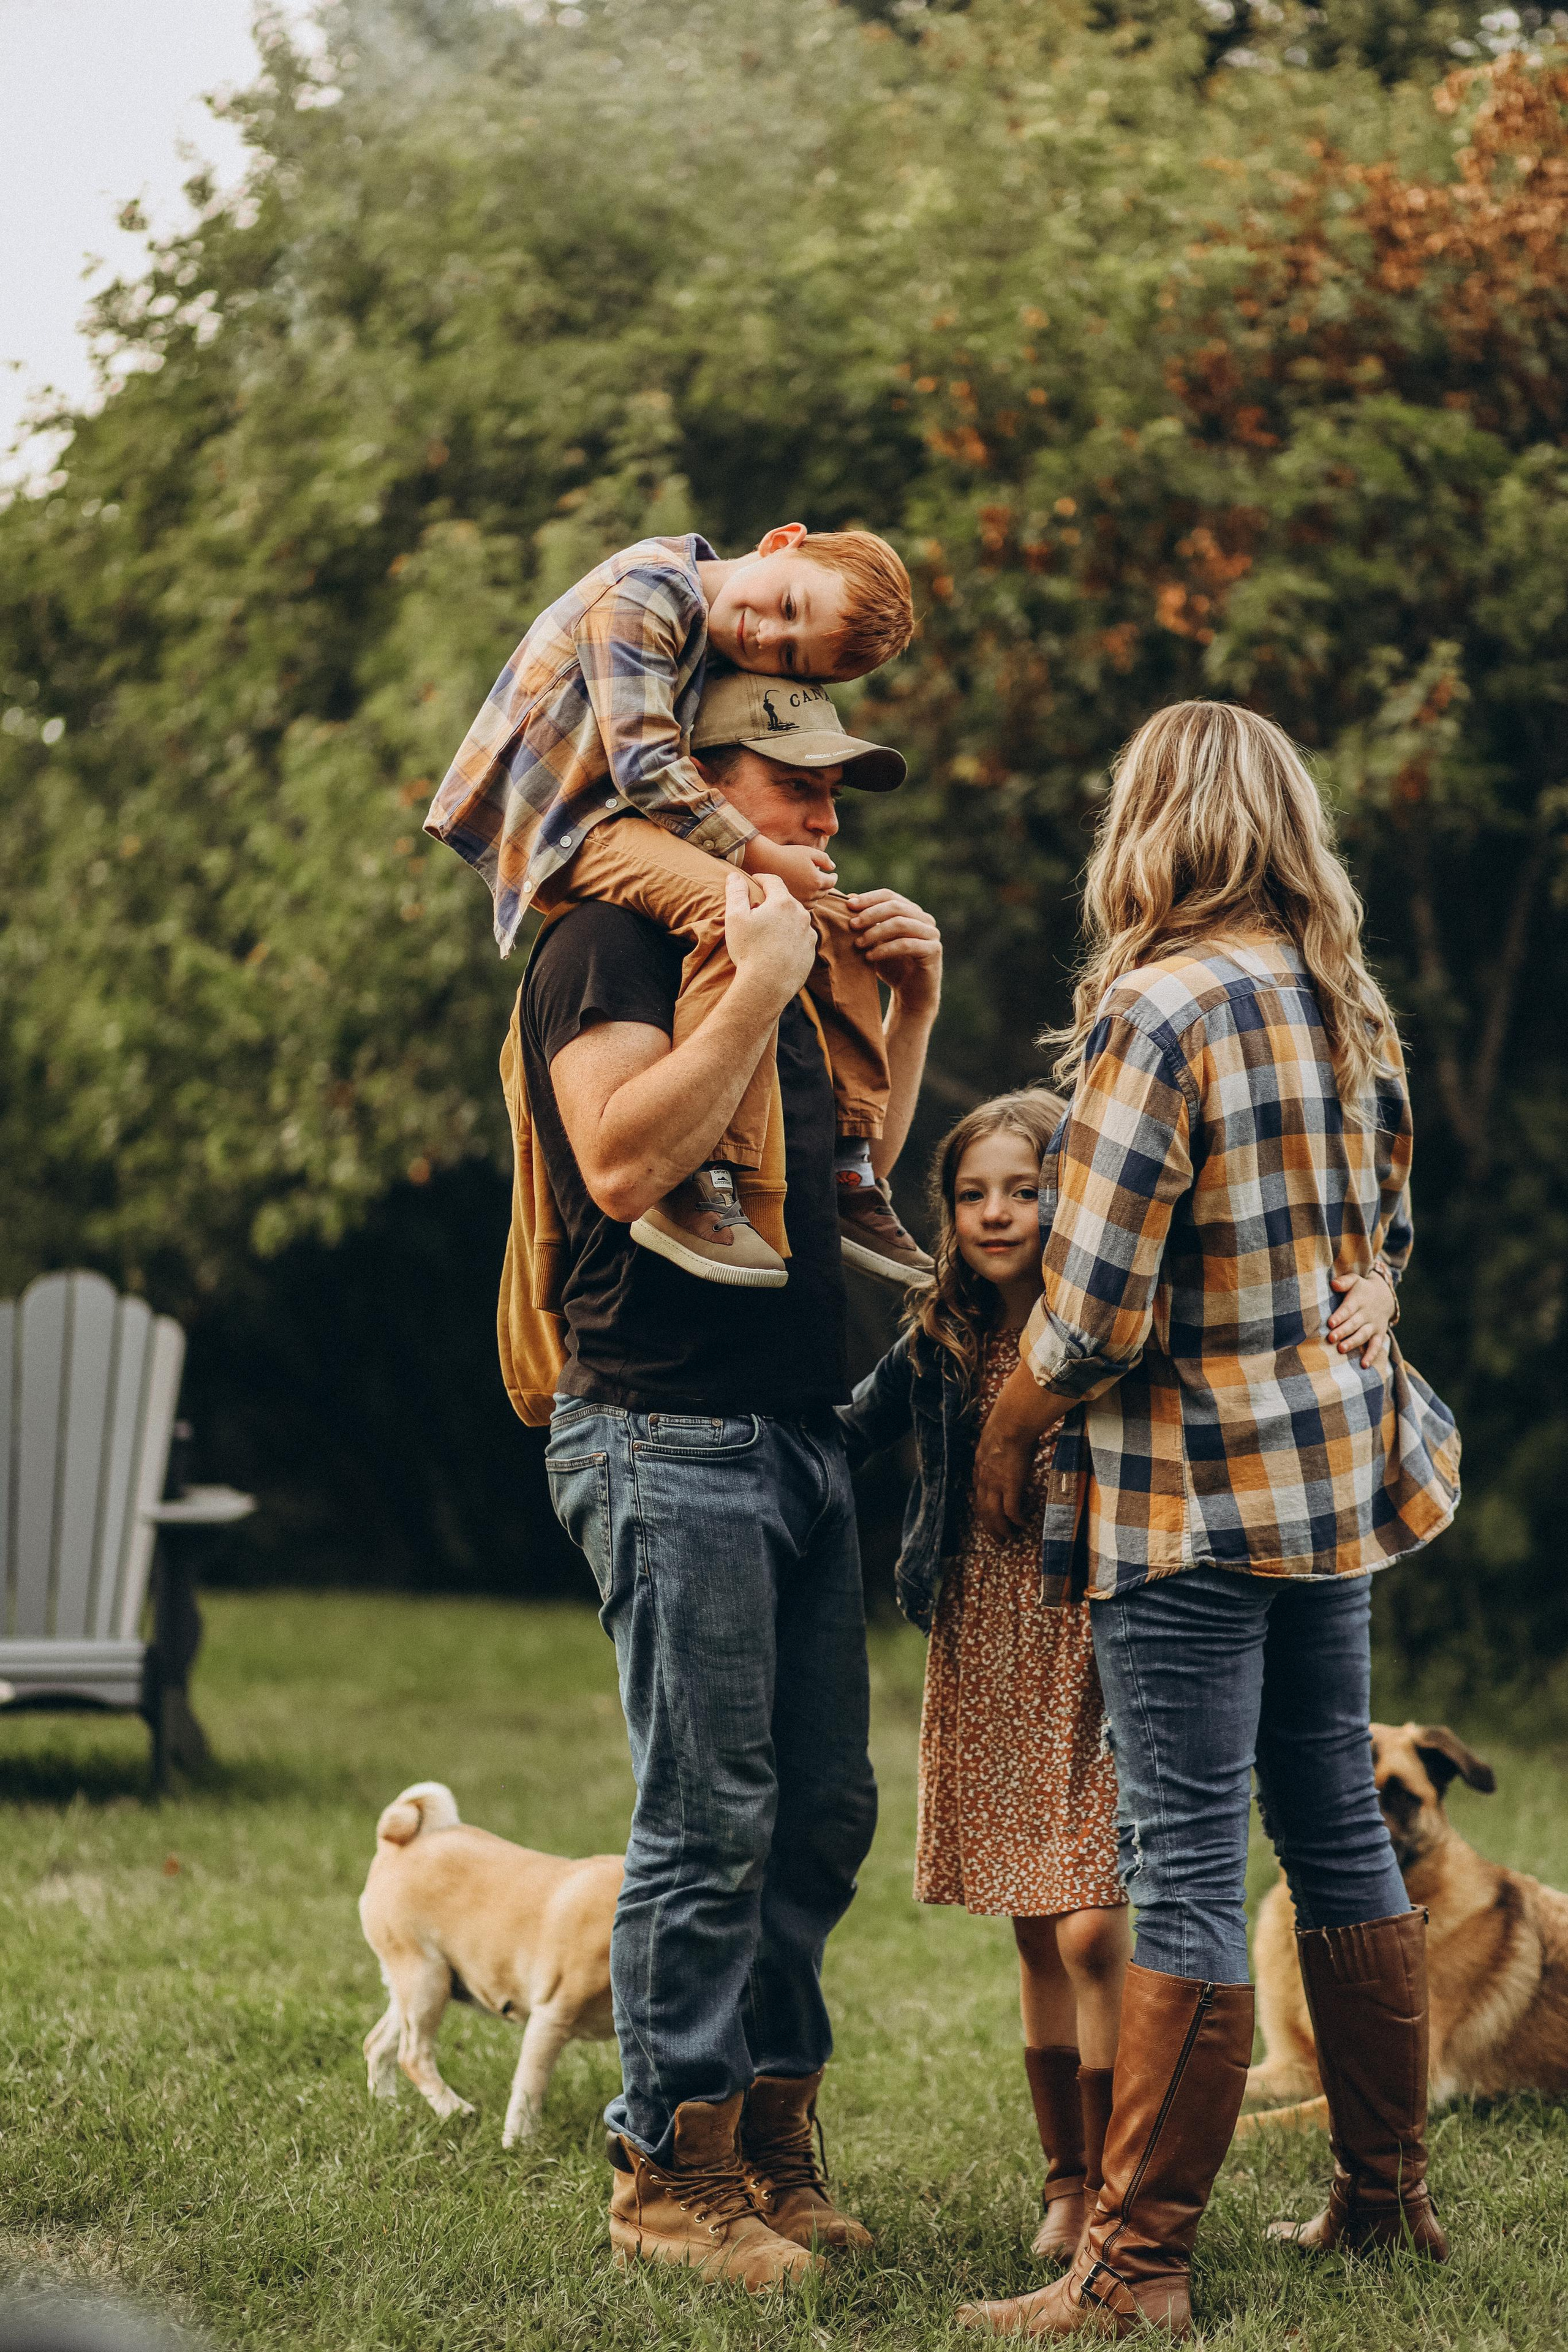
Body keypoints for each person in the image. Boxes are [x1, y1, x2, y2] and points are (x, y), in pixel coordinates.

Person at [957, 699, 1461, 2340]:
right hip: (1328, 1474)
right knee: (1327, 1814)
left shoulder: (1159, 1012)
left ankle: (1134, 2268)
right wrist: (1376, 1283)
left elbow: (1094, 1310)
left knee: (1180, 1855)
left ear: (1153, 824)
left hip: (1183, 1495)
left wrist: (1009, 1430)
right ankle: (1385, 2201)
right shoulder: (1347, 1004)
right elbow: (1387, 1222)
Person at [514, 672, 943, 2288]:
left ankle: (766, 2149)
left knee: (820, 1811)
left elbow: (848, 1197)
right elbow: (625, 1163)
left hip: (798, 1435)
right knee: (708, 1820)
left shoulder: (773, 957)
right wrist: (765, 982)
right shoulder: (605, 946)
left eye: (843, 789)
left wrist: (899, 1001)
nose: (828, 814)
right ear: (690, 782)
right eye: (794, 781)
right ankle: (666, 2187)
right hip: (664, 1430)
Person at [426, 522, 932, 1289]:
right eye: (786, 606)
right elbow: (645, 767)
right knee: (741, 907)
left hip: (622, 817)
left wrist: (914, 1001)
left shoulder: (720, 635)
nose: (766, 634)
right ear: (780, 540)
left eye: (791, 655)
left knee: (831, 922)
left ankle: (850, 1169)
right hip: (567, 824)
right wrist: (763, 858)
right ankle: (699, 1182)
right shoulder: (651, 589)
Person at [840, 1091, 1129, 2263]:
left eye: (1026, 1189)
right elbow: (847, 1428)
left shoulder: (1110, 1327)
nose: (998, 1213)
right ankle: (1067, 2184)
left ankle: (1121, 2186)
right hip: (989, 1638)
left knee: (1096, 1930)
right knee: (1032, 1923)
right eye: (974, 1194)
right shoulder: (940, 1337)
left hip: (1102, 1641)